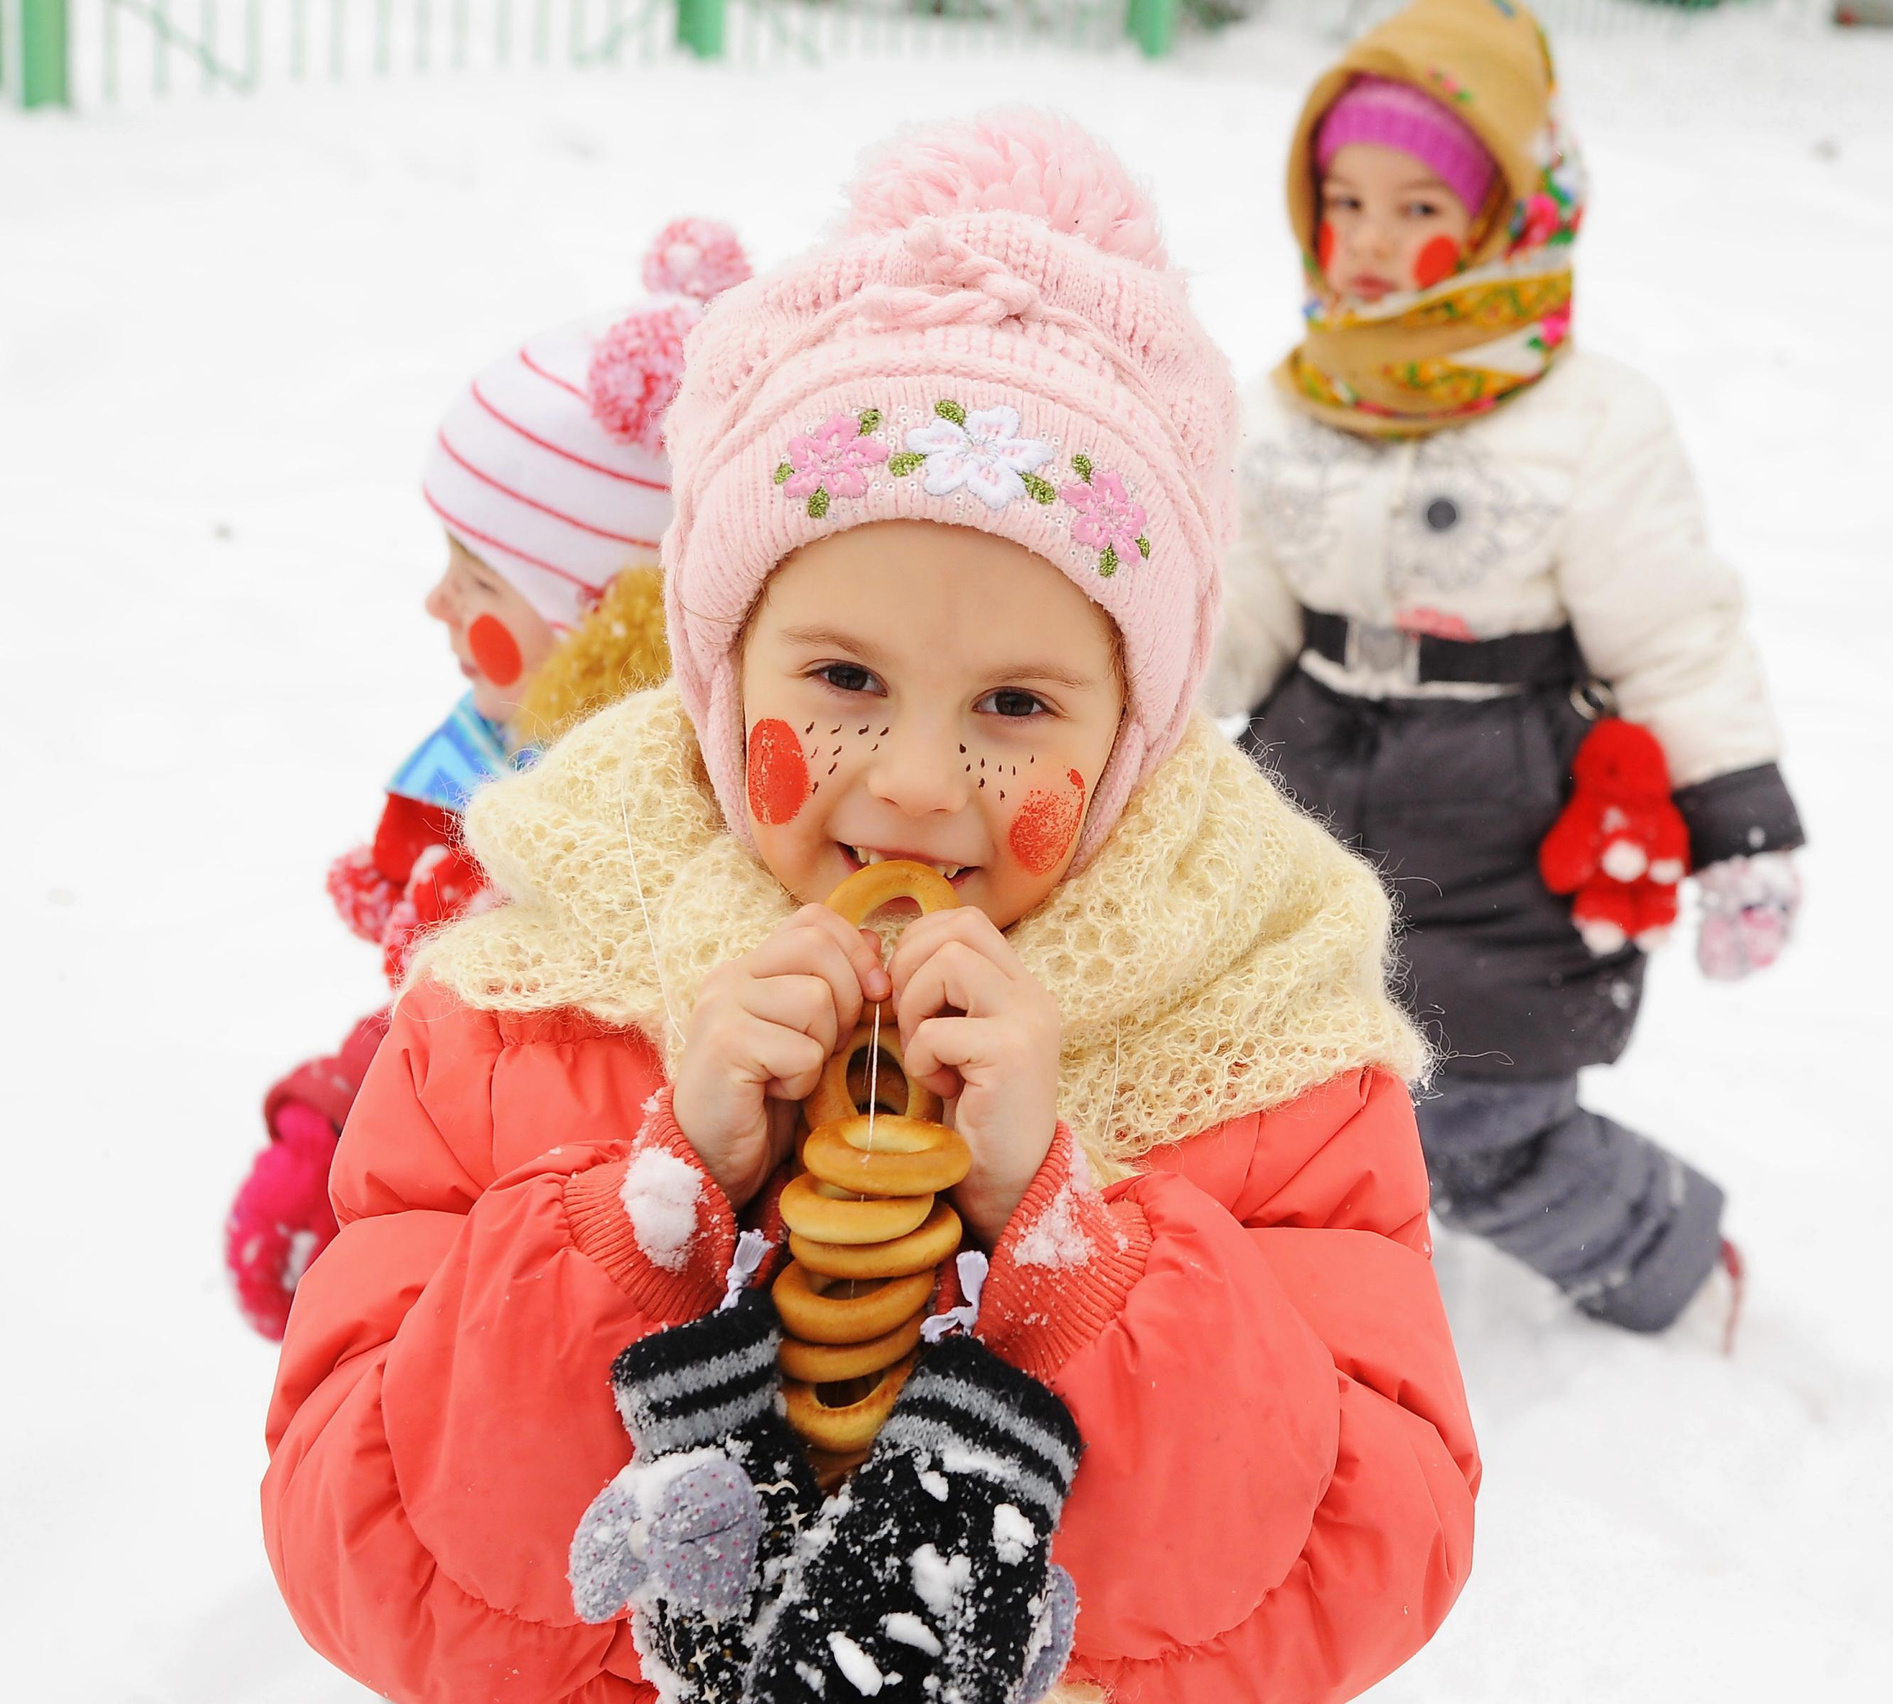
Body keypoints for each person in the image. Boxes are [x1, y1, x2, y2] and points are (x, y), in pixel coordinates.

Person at [262, 113, 1478, 1704]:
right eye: (843, 680)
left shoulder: (1263, 1036)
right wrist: (652, 1215)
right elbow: (365, 1550)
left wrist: (1062, 1244)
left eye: (1020, 705)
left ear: (1135, 731)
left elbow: (1358, 1562)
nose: (915, 782)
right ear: (717, 670)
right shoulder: (525, 999)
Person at [1209, 0, 1808, 1339]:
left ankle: (1667, 1262)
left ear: (1510, 218)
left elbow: (1673, 628)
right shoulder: (1281, 406)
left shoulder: (1593, 420)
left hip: (1504, 811)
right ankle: (1306, 1297)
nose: (1367, 244)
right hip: (1302, 793)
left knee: (1482, 1119)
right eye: (1343, 202)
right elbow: (1235, 617)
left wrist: (1739, 824)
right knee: (1275, 1080)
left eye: (1417, 206)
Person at [221, 219, 741, 1341]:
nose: (435, 609)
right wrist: (329, 1123)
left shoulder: (616, 855)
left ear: (606, 618)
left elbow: (492, 1052)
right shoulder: (506, 767)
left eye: (476, 580)